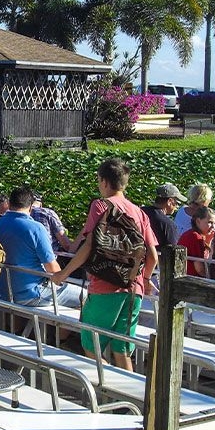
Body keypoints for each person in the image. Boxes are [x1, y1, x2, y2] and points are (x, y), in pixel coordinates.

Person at [52, 158, 158, 372]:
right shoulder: (139, 212)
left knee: (91, 347)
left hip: (104, 287)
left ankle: (105, 391)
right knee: (122, 349)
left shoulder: (101, 206)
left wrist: (64, 274)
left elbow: (89, 246)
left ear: (104, 181)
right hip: (133, 289)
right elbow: (153, 256)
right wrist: (145, 279)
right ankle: (129, 399)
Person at [0, 187, 84, 307]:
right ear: (30, 207)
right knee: (86, 296)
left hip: (3, 291)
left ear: (9, 204)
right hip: (32, 293)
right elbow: (52, 268)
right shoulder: (36, 228)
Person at [177, 206, 215, 277]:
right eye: (210, 222)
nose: (213, 227)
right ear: (198, 221)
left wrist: (208, 241)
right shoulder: (195, 237)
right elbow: (200, 269)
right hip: (189, 280)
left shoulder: (194, 234)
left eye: (214, 223)